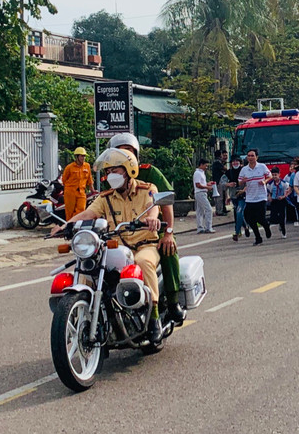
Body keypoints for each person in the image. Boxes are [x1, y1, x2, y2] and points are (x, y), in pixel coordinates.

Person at [58, 147, 164, 342]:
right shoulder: (105, 198)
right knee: (91, 267)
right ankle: (88, 317)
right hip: (117, 247)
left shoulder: (147, 189)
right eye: (107, 172)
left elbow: (153, 207)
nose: (111, 175)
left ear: (129, 169)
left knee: (143, 262)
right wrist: (66, 225)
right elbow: (89, 214)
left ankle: (154, 319)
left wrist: (152, 219)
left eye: (115, 170)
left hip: (144, 245)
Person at [108, 133, 183, 323]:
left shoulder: (150, 173)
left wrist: (168, 232)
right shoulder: (111, 176)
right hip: (121, 233)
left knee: (167, 248)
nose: (125, 157)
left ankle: (173, 302)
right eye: (119, 153)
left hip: (151, 228)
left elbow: (166, 203)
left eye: (129, 152)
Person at [239, 149, 272, 246]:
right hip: (250, 197)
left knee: (260, 218)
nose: (250, 158)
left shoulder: (262, 167)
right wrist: (243, 181)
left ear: (256, 157)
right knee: (249, 218)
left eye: (252, 155)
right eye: (248, 156)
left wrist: (264, 182)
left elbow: (269, 176)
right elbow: (239, 181)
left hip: (261, 196)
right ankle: (258, 237)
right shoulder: (244, 169)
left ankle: (266, 226)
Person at [61, 147, 94, 221]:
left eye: (84, 156)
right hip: (70, 192)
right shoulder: (69, 167)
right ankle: (69, 226)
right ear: (77, 157)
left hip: (81, 192)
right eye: (82, 156)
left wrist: (92, 190)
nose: (83, 158)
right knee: (70, 211)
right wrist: (69, 188)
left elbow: (89, 179)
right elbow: (64, 179)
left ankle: (76, 224)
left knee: (81, 210)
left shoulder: (87, 166)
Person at [193, 158, 216, 234]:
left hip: (201, 192)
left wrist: (207, 184)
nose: (206, 167)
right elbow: (198, 185)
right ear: (201, 165)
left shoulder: (202, 173)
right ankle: (208, 227)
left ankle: (200, 228)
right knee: (208, 209)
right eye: (206, 165)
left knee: (200, 211)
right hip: (200, 193)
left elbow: (201, 183)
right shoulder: (197, 173)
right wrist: (207, 187)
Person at [226, 156, 246, 241]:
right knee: (237, 213)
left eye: (237, 162)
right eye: (233, 162)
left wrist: (243, 188)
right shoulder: (228, 172)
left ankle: (237, 232)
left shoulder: (245, 170)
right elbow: (222, 183)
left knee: (239, 212)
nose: (235, 163)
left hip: (244, 195)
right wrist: (228, 184)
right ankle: (245, 227)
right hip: (234, 196)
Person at [267, 167, 290, 238]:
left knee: (282, 217)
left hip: (282, 201)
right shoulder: (270, 184)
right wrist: (269, 197)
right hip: (274, 201)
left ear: (279, 174)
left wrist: (283, 196)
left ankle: (283, 232)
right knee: (273, 217)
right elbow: (269, 192)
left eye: (275, 175)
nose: (274, 177)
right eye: (273, 175)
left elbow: (288, 191)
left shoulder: (284, 183)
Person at [211, 150, 228, 215]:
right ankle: (219, 211)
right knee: (219, 198)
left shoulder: (217, 162)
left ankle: (222, 209)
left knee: (222, 197)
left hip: (219, 181)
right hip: (218, 182)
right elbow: (224, 169)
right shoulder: (217, 162)